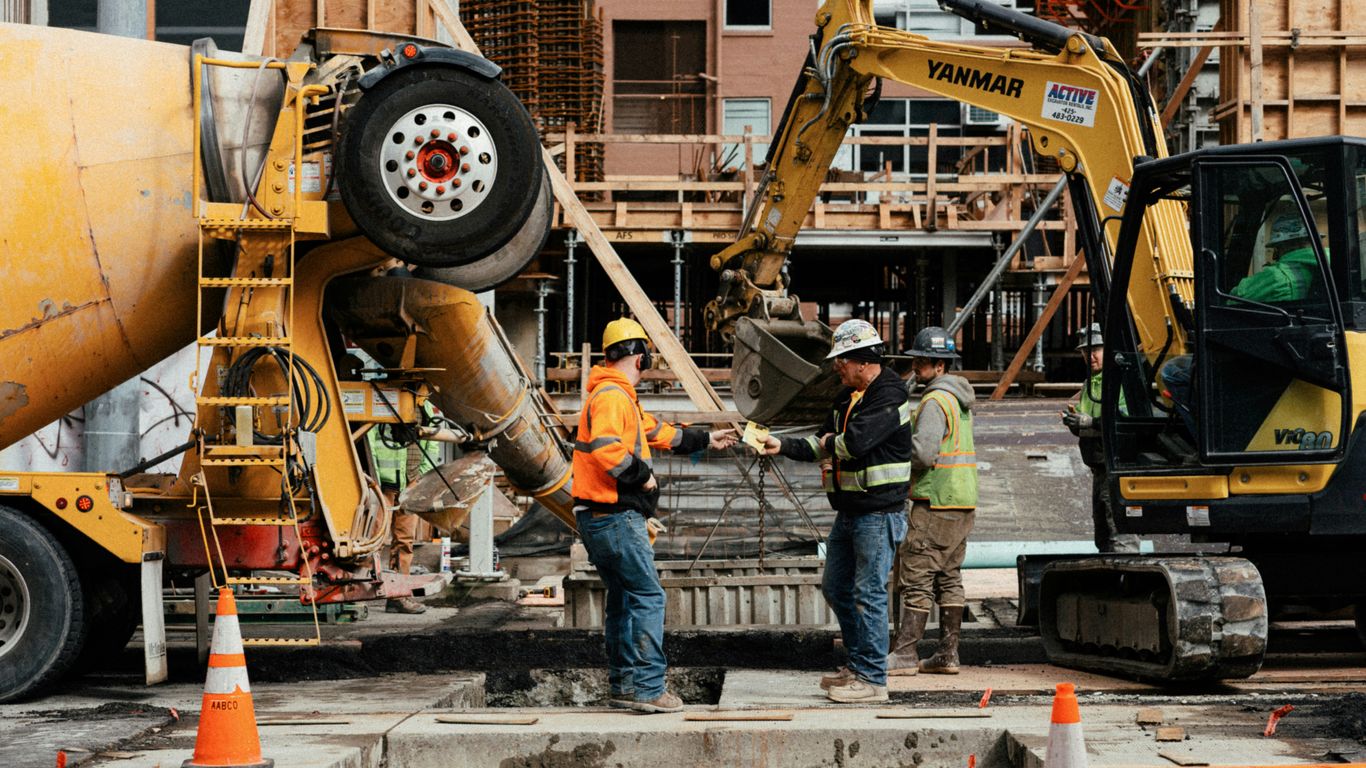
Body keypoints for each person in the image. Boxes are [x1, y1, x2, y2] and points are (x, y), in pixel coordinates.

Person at [573, 317, 737, 713]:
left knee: (623, 600)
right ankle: (648, 690)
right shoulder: (612, 396)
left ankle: (624, 684)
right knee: (647, 596)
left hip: (597, 518)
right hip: (615, 517)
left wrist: (704, 438)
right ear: (640, 356)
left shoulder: (614, 394)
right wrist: (643, 478)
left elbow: (656, 431)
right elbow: (608, 449)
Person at [762, 319, 912, 703]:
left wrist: (830, 442)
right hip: (850, 511)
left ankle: (873, 679)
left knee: (869, 593)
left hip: (879, 512)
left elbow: (857, 443)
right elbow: (821, 442)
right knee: (836, 586)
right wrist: (780, 445)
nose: (835, 367)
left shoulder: (889, 395)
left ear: (861, 360)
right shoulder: (848, 398)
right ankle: (860, 664)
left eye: (841, 361)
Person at [888, 326, 977, 676]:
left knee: (917, 574)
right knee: (949, 576)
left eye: (923, 361)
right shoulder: (959, 399)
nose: (916, 367)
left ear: (940, 366)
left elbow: (923, 454)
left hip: (935, 499)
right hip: (963, 499)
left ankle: (906, 653)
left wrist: (893, 454)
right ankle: (947, 654)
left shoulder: (934, 401)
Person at [1061, 323, 1138, 553]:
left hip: (1115, 465)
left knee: (1120, 532)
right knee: (1103, 533)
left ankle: (1127, 577)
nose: (1090, 356)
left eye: (1096, 349)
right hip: (1099, 465)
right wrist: (1075, 423)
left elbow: (1122, 421)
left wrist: (1087, 423)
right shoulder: (1090, 384)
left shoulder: (1116, 382)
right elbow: (1093, 422)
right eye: (1086, 351)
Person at [366, 415, 436, 614]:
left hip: (409, 482)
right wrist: (374, 477)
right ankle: (355, 592)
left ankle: (398, 597)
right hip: (382, 486)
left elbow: (432, 440)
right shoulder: (379, 404)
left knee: (404, 541)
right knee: (372, 539)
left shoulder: (422, 405)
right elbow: (370, 440)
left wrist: (420, 476)